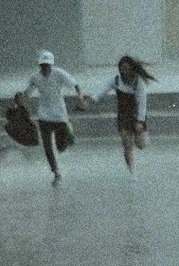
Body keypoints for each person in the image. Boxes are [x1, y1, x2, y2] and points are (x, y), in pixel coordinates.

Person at [16, 50, 86, 185]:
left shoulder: (59, 74)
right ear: (39, 65)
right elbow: (29, 91)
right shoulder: (35, 77)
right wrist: (20, 99)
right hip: (44, 115)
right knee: (47, 146)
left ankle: (69, 133)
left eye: (47, 65)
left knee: (61, 147)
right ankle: (56, 172)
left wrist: (81, 97)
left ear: (51, 65)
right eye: (42, 65)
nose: (45, 68)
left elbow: (76, 85)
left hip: (59, 114)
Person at [92, 56, 156, 173]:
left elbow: (142, 103)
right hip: (123, 117)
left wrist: (140, 121)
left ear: (132, 69)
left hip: (137, 116)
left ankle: (141, 137)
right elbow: (102, 91)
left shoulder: (138, 82)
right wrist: (91, 100)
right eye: (122, 68)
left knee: (142, 144)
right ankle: (131, 170)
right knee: (127, 145)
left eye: (127, 68)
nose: (124, 71)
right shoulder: (116, 80)